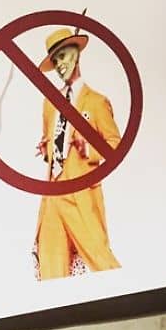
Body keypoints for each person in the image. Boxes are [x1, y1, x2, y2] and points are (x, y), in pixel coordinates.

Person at [33, 26, 121, 280]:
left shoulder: (96, 102)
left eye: (63, 56)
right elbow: (52, 142)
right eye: (55, 60)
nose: (60, 65)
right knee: (51, 269)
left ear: (77, 54)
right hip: (52, 196)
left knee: (102, 262)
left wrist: (90, 148)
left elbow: (115, 144)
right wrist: (46, 148)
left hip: (81, 195)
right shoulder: (50, 103)